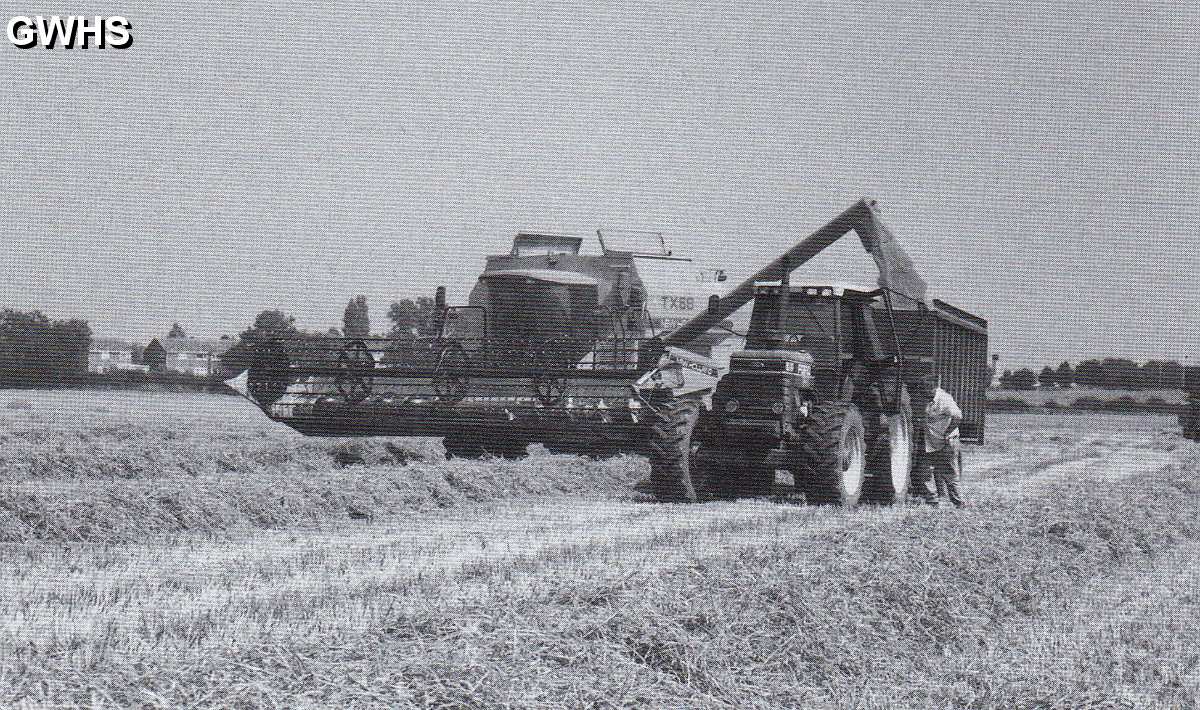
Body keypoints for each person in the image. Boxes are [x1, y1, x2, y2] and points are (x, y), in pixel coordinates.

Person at [917, 374, 965, 508]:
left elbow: (958, 416)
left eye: (924, 390)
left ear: (932, 389)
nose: (922, 393)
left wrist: (948, 432)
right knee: (924, 471)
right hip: (931, 442)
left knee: (949, 473)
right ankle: (933, 501)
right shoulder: (928, 400)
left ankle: (959, 502)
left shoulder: (944, 399)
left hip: (947, 442)